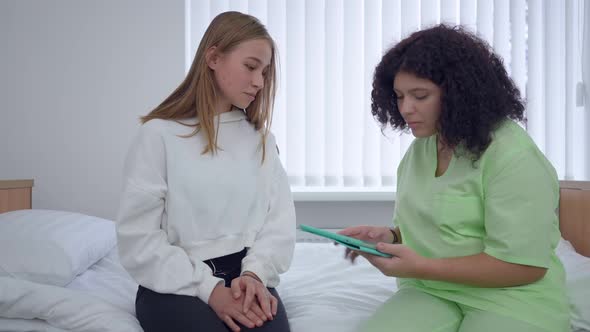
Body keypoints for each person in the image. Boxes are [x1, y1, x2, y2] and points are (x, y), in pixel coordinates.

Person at [339, 24, 570, 332]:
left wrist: (422, 267)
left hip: (513, 298)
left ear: (460, 92)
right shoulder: (421, 150)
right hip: (431, 289)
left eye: (420, 96)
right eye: (399, 96)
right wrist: (390, 237)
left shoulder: (513, 156)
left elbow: (525, 266)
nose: (406, 108)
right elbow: (439, 231)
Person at [115, 11, 295, 332]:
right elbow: (139, 240)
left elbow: (277, 226)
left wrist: (255, 275)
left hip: (248, 278)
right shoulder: (159, 136)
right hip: (175, 283)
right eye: (251, 67)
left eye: (265, 72)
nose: (259, 81)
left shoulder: (262, 141)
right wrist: (210, 289)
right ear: (213, 57)